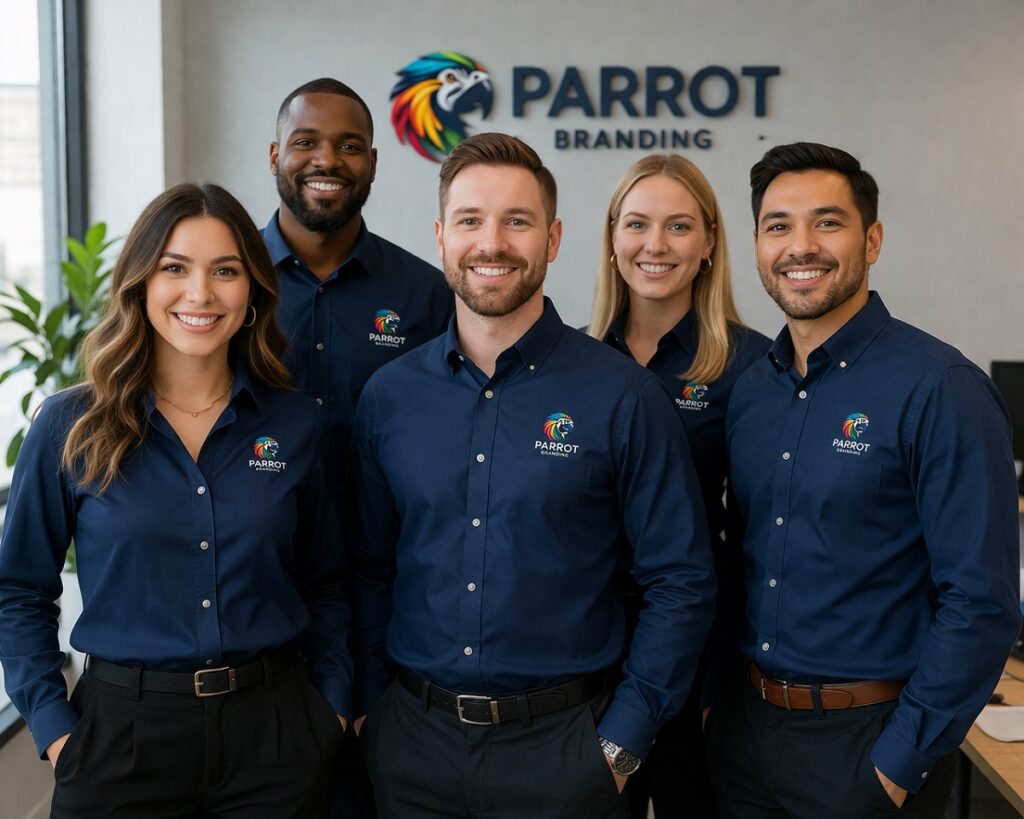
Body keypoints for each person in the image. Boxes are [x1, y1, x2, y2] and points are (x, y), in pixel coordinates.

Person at [350, 133, 717, 819]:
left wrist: (622, 743)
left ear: (552, 238)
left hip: (569, 754)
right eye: (470, 220)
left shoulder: (623, 397)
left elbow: (682, 581)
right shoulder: (388, 397)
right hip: (413, 751)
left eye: (516, 221)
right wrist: (376, 714)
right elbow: (371, 567)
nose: (492, 242)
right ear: (439, 236)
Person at [0, 184, 351, 818]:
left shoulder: (298, 425)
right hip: (119, 743)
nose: (201, 293)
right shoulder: (69, 424)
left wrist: (331, 709)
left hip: (275, 740)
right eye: (174, 268)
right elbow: (18, 590)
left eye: (226, 270)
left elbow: (326, 581)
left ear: (252, 293)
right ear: (140, 283)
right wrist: (55, 730)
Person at [705, 142, 1021, 819]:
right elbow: (740, 557)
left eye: (828, 221)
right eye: (778, 225)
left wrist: (898, 764)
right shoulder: (753, 388)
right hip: (745, 739)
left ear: (871, 238)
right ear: (757, 244)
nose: (801, 246)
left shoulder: (941, 389)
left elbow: (982, 601)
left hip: (867, 749)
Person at [266, 83, 452, 816]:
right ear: (276, 154)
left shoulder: (427, 294)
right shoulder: (223, 283)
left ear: (373, 162)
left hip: (397, 614)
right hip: (263, 606)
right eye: (307, 141)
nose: (328, 159)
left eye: (349, 145)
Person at [589, 154, 770, 818]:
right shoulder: (577, 363)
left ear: (711, 241)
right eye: (636, 223)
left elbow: (763, 536)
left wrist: (724, 678)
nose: (655, 245)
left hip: (704, 663)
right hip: (591, 657)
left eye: (679, 226)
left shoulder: (753, 367)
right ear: (612, 238)